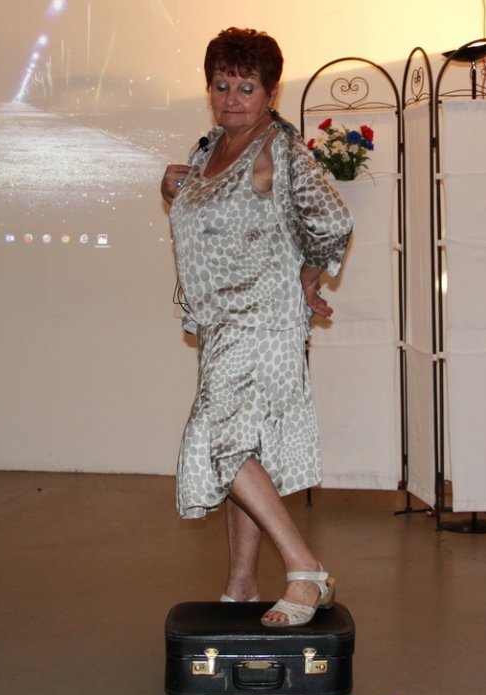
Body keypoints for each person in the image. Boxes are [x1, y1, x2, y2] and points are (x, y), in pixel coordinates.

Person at [160, 27, 352, 627]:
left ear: (271, 93)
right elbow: (213, 220)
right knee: (243, 447)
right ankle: (241, 586)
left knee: (219, 439)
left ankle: (305, 568)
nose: (232, 98)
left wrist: (308, 278)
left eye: (247, 88)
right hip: (221, 322)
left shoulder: (278, 148)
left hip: (261, 320)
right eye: (222, 85)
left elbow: (332, 221)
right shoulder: (210, 149)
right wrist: (175, 188)